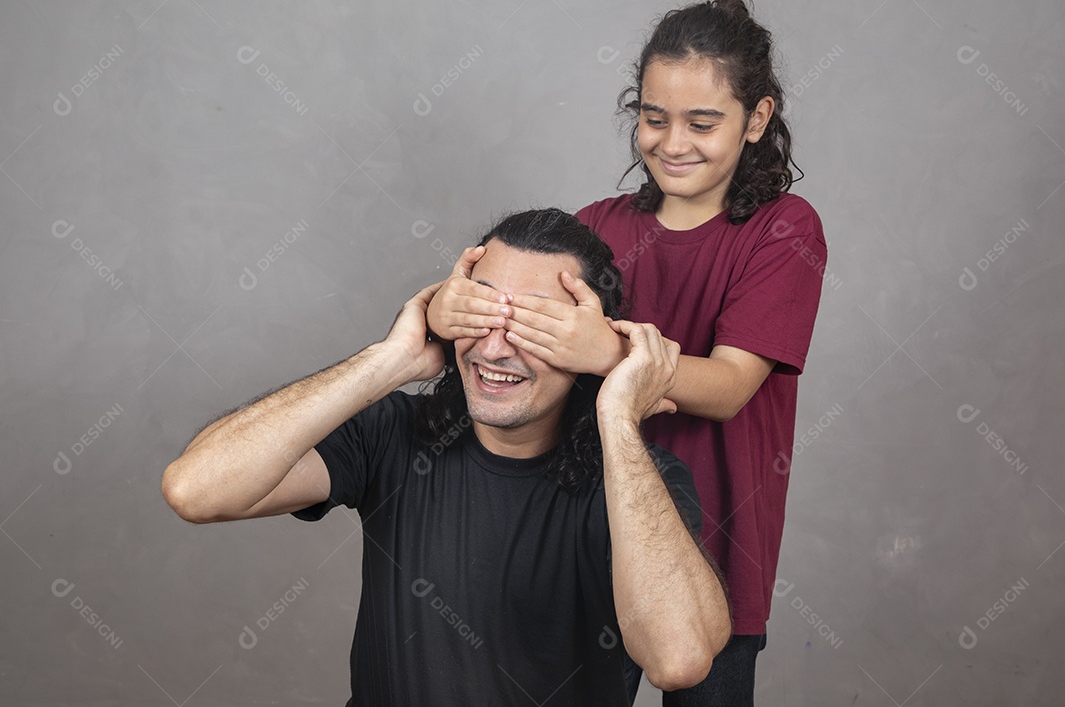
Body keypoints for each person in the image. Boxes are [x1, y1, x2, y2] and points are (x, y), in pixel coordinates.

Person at [161, 208, 732, 706]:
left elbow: (678, 660)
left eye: (535, 327)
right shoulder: (393, 435)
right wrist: (392, 358)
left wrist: (618, 413)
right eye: (480, 314)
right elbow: (196, 490)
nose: (493, 346)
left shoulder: (639, 482)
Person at [427, 0, 826, 706]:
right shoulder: (595, 225)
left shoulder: (784, 229)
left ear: (757, 119)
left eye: (703, 123)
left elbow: (731, 385)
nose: (673, 142)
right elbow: (517, 344)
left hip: (717, 549)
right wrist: (449, 308)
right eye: (653, 117)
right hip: (585, 528)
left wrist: (603, 351)